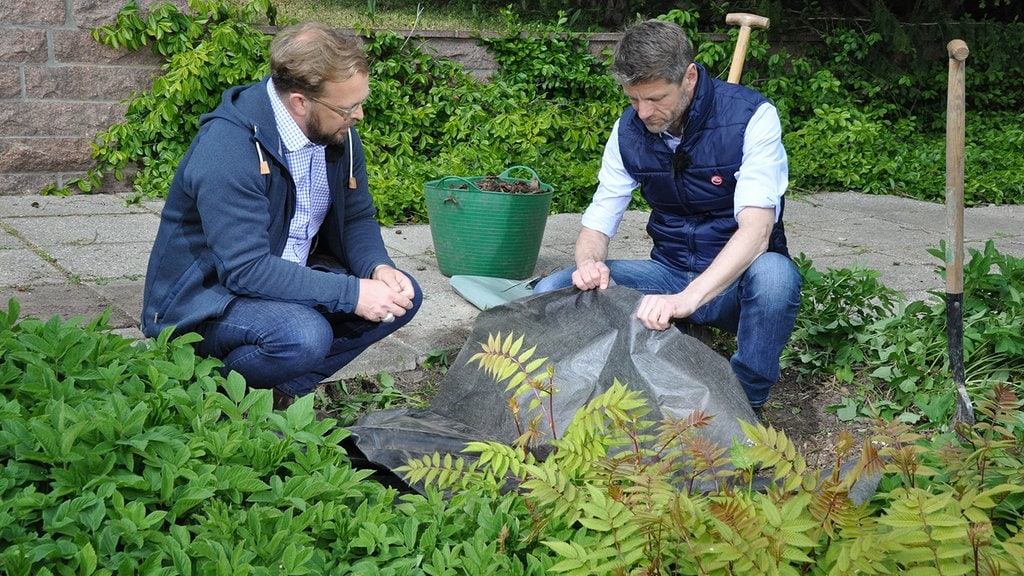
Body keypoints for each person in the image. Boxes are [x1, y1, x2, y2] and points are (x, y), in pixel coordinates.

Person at [141, 22, 421, 410]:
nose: (358, 116)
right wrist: (351, 293)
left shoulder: (335, 132)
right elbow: (246, 270)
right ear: (300, 102)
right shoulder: (228, 149)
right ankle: (209, 395)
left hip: (280, 282)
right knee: (303, 336)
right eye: (347, 107)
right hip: (205, 302)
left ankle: (280, 392)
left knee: (402, 296)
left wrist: (377, 268)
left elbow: (357, 218)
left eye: (360, 102)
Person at [534, 19, 801, 413]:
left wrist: (685, 301)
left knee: (777, 277)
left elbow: (757, 232)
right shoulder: (627, 131)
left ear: (689, 77)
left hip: (737, 287)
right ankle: (580, 396)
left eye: (655, 98)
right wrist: (589, 264)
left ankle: (746, 402)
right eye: (633, 100)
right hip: (669, 271)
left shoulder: (752, 117)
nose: (643, 112)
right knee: (553, 288)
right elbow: (599, 219)